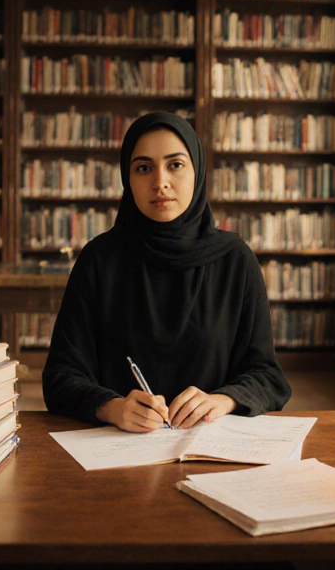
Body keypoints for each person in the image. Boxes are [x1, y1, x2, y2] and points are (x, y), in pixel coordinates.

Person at [42, 111, 291, 432]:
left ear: (197, 172)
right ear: (126, 179)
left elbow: (267, 376)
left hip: (211, 447)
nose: (160, 182)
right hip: (118, 447)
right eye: (143, 168)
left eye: (175, 165)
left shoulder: (236, 261)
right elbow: (60, 376)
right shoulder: (99, 260)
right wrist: (112, 408)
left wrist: (222, 400)